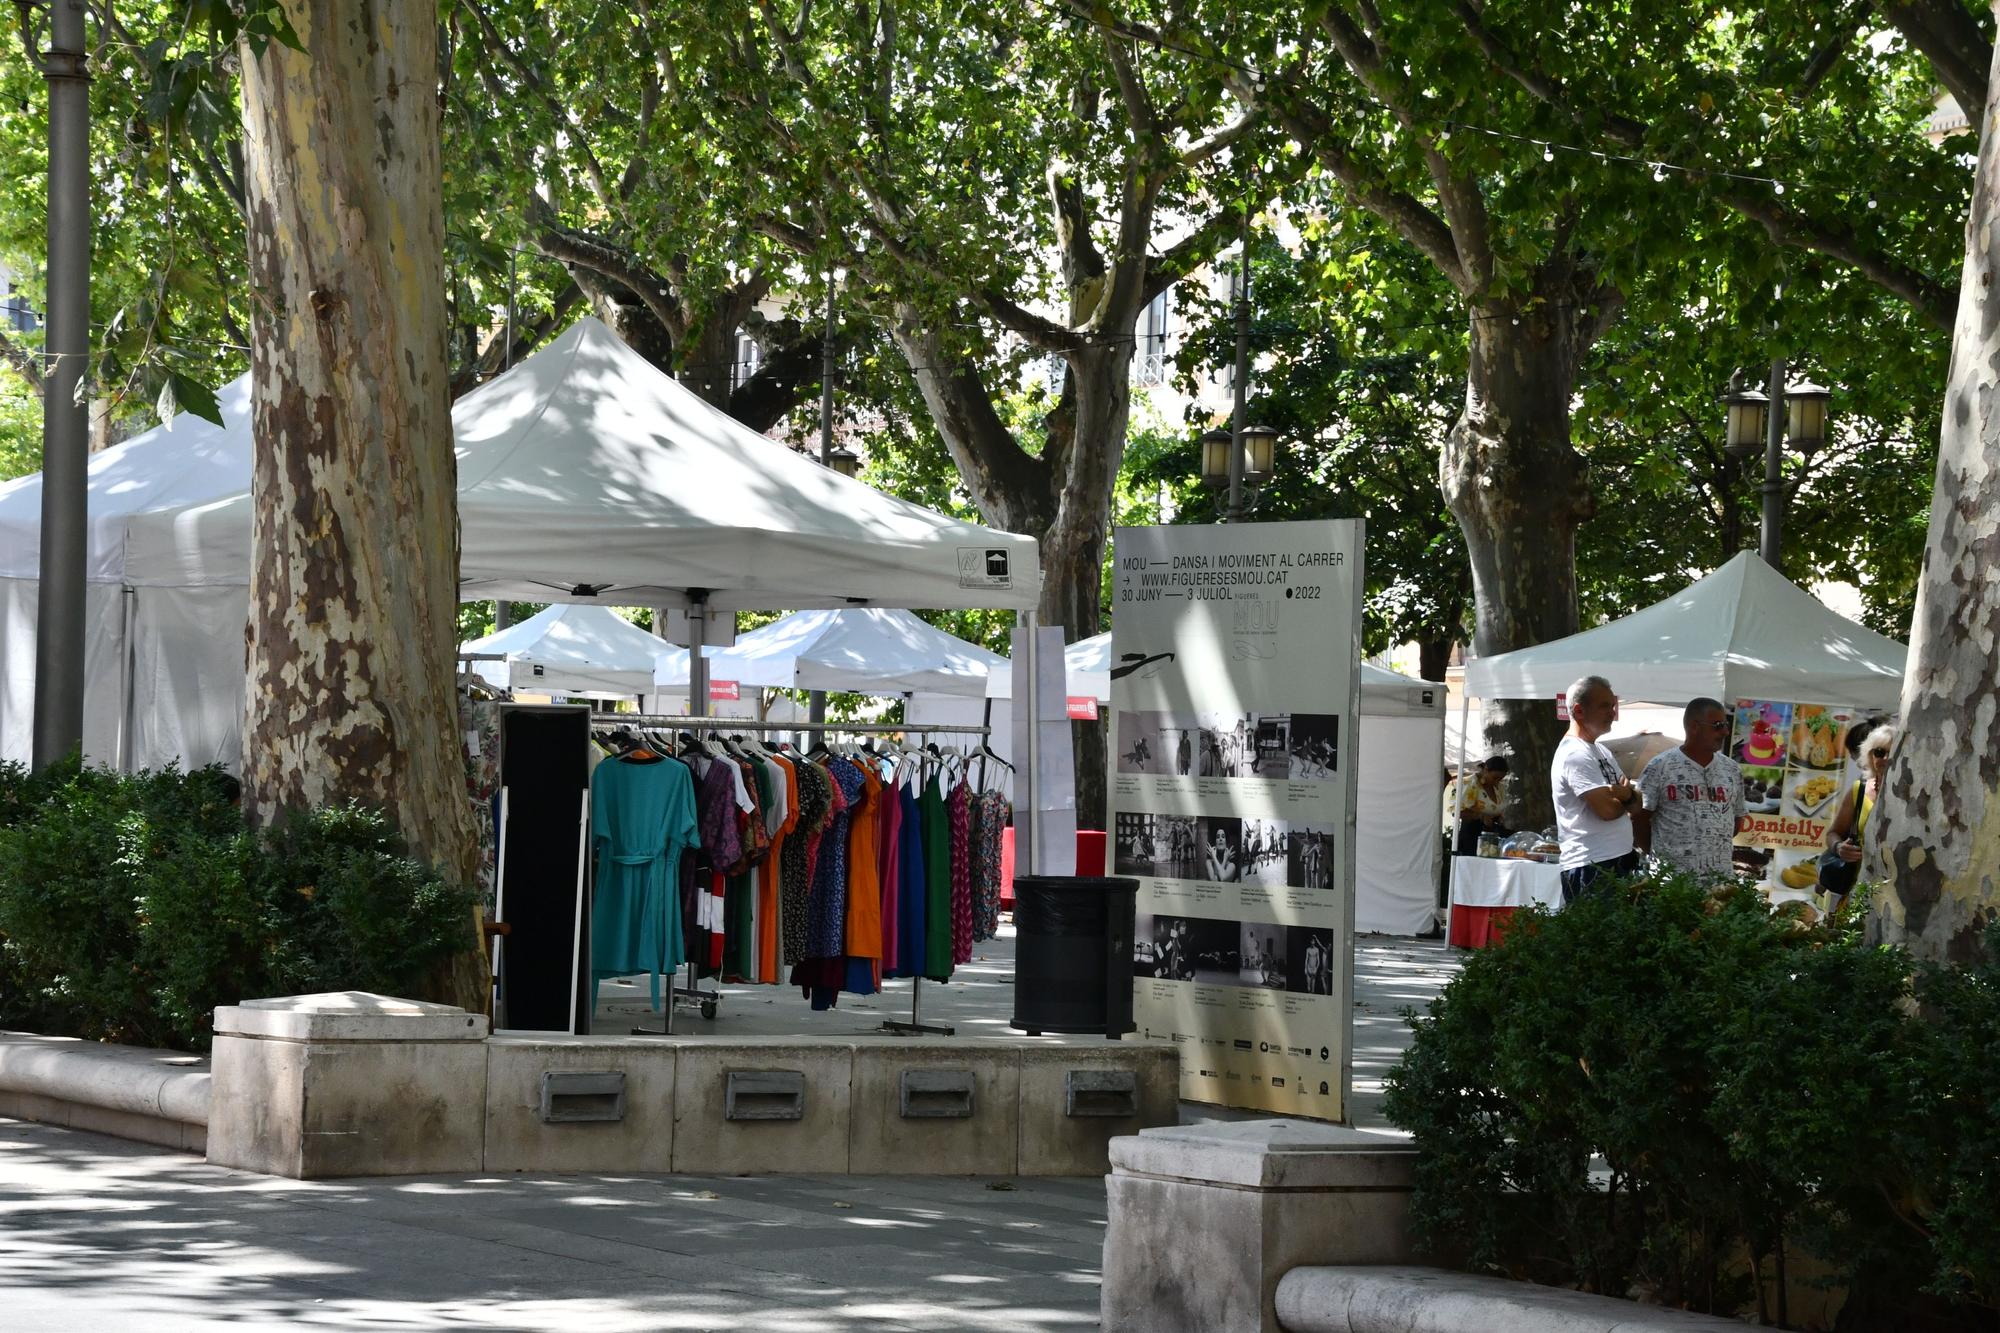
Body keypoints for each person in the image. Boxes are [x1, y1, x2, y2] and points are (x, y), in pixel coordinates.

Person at [1637, 697, 1749, 877]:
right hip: (1674, 884)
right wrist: (1663, 857)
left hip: (1719, 883)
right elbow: (1639, 819)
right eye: (1718, 725)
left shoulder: (1732, 769)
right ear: (1695, 726)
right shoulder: (1660, 766)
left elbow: (1736, 821)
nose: (1726, 732)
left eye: (1726, 725)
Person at [1552, 674, 1641, 902]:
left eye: (1613, 706)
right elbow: (1607, 811)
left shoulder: (1602, 751)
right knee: (1600, 936)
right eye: (1605, 706)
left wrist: (1627, 795)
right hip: (1592, 866)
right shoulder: (1575, 754)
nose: (1613, 713)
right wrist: (1627, 797)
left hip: (1613, 861)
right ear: (1580, 711)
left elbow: (1638, 803)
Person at [1823, 721, 1895, 915]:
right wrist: (1839, 848)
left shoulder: (1915, 797)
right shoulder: (1859, 790)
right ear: (1870, 756)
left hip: (1900, 895)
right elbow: (1832, 834)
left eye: (1893, 752)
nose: (1886, 758)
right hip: (1858, 890)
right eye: (1879, 752)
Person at [1444, 756, 1511, 855]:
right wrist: (1481, 816)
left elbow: (1497, 809)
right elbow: (1456, 811)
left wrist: (1499, 818)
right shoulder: (1469, 783)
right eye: (1495, 777)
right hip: (1471, 836)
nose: (1497, 781)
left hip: (1492, 836)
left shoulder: (1499, 788)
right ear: (1486, 770)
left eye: (1500, 779)